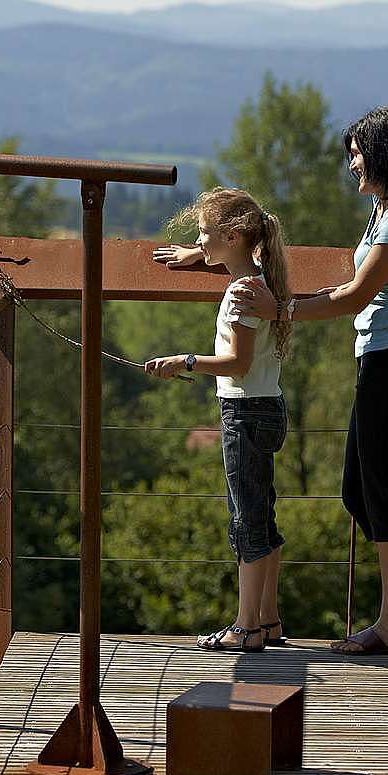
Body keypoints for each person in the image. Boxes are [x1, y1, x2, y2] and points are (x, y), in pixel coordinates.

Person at [232, 106, 388, 655]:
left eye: (358, 154)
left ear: (386, 155)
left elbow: (357, 295)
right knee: (359, 493)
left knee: (380, 493)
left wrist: (279, 308)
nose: (353, 164)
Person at [146, 188, 294, 652]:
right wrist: (199, 253)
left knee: (246, 521)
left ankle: (247, 626)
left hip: (243, 412)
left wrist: (184, 360)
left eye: (204, 233)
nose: (198, 240)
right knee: (261, 514)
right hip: (268, 407)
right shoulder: (258, 279)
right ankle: (268, 620)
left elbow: (236, 363)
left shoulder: (242, 294)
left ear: (232, 237)